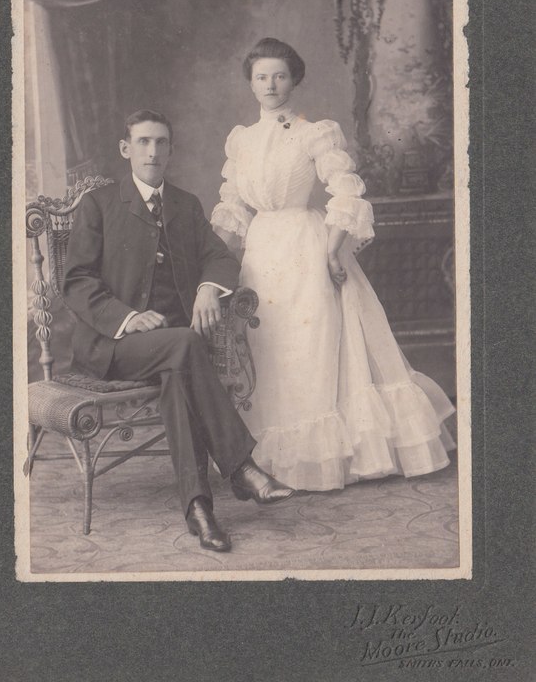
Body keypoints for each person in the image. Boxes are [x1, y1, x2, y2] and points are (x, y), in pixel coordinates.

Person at [211, 37, 456, 492]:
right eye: (262, 76)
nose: (271, 84)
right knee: (268, 347)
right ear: (250, 82)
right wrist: (209, 268)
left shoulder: (314, 132)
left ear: (295, 80)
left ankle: (327, 460)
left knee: (311, 347)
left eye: (280, 75)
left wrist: (330, 249)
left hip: (307, 246)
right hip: (262, 251)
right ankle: (269, 461)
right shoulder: (241, 141)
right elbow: (230, 207)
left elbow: (346, 191)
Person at [62, 108, 294, 553]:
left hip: (172, 353)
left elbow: (221, 257)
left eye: (161, 142)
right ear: (126, 149)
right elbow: (76, 281)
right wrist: (128, 318)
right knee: (187, 344)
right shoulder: (100, 205)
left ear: (171, 149)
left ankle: (199, 510)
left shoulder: (185, 204)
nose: (153, 151)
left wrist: (209, 288)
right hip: (114, 347)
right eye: (144, 142)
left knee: (178, 371)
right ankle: (242, 468)